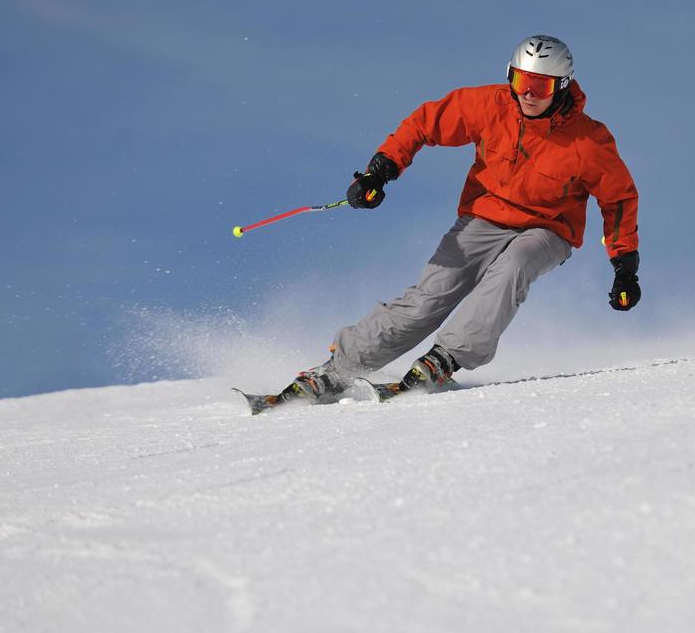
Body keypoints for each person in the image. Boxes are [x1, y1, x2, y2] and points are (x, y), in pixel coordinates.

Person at [265, 34, 641, 409]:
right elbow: (424, 123)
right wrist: (380, 171)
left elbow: (619, 199)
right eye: (520, 81)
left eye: (539, 85)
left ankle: (446, 357)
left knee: (514, 266)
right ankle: (339, 368)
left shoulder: (589, 141)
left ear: (562, 86)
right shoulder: (488, 106)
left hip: (548, 229)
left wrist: (624, 266)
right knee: (431, 296)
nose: (528, 94)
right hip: (484, 217)